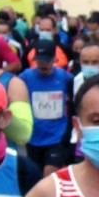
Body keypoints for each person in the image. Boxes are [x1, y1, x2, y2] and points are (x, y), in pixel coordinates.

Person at [21, 39, 74, 175]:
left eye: (47, 60)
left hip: (57, 136)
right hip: (34, 137)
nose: (43, 64)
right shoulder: (26, 77)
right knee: (36, 176)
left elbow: (74, 101)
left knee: (49, 174)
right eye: (39, 61)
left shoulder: (65, 78)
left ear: (55, 59)